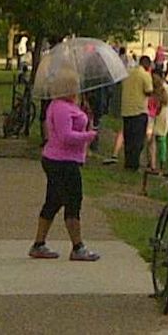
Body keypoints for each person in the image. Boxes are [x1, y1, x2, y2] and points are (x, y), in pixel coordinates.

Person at [30, 91, 102, 262]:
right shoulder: (61, 107)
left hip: (67, 159)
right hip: (62, 161)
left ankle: (39, 243)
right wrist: (89, 136)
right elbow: (65, 136)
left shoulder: (71, 105)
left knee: (54, 200)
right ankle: (77, 246)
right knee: (72, 200)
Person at [120, 56, 158, 172]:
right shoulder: (145, 75)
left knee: (128, 138)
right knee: (137, 139)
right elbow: (148, 91)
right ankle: (134, 164)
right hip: (139, 110)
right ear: (147, 65)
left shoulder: (128, 73)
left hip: (126, 109)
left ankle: (127, 162)